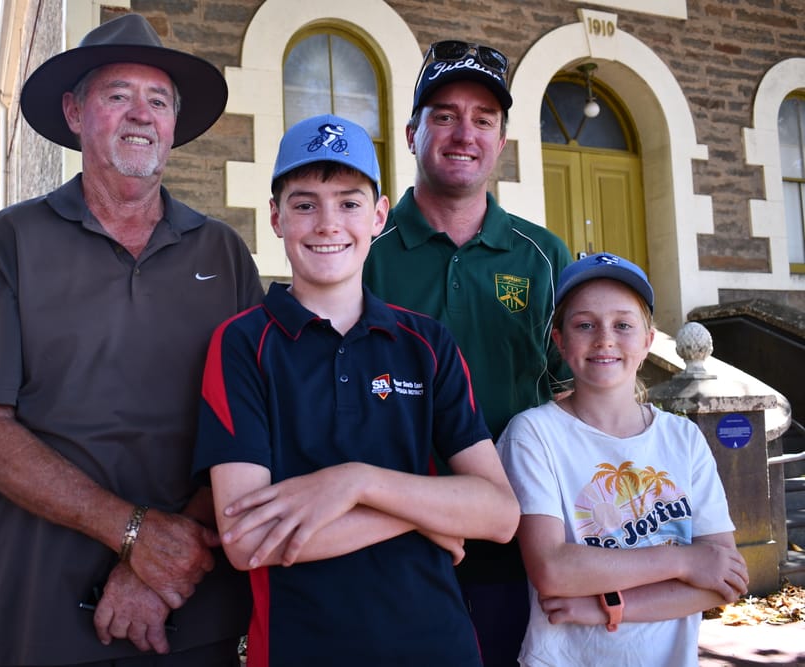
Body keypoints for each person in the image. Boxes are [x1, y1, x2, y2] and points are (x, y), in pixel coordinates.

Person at [0, 13, 263, 667]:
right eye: (119, 95)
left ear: (173, 123)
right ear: (75, 111)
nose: (142, 115)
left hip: (189, 613)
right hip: (37, 616)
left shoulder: (223, 253)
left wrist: (160, 564)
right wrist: (133, 533)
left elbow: (255, 426)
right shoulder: (10, 243)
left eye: (159, 101)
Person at [192, 114, 520, 666]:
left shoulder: (426, 344)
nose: (328, 224)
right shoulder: (243, 344)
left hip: (439, 646)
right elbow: (247, 540)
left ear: (379, 215)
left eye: (348, 203)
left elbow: (500, 513)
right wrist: (423, 513)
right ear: (275, 217)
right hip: (303, 648)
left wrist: (354, 482)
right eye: (304, 205)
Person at [362, 39, 574, 664]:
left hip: (517, 543)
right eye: (446, 115)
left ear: (501, 142)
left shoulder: (544, 258)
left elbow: (569, 394)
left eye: (484, 120)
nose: (465, 134)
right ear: (412, 134)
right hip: (389, 539)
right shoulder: (362, 250)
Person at [497, 252, 749, 666]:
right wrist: (683, 560)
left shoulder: (683, 438)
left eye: (623, 325)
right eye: (584, 324)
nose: (605, 339)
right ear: (559, 340)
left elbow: (724, 578)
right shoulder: (534, 434)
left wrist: (606, 607)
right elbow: (553, 569)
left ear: (648, 341)